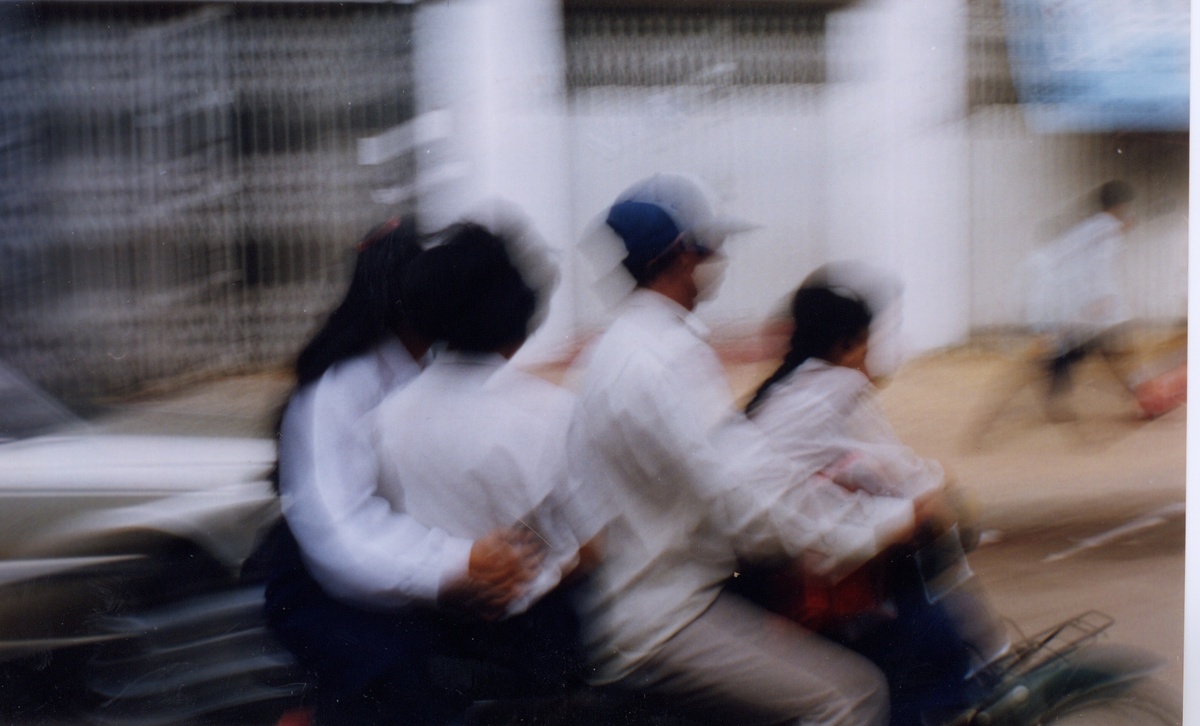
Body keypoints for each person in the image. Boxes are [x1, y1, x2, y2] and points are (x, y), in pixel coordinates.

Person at [568, 173, 931, 726]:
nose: (719, 260)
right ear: (682, 256)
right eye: (712, 248)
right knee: (852, 697)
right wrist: (879, 526)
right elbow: (745, 499)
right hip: (671, 612)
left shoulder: (608, 352)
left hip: (638, 593)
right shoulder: (666, 360)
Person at [259, 217, 544, 724]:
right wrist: (461, 564)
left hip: (411, 566)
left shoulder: (431, 367)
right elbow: (346, 539)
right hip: (327, 582)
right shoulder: (340, 389)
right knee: (404, 677)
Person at [746, 283, 1010, 724]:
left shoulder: (781, 392)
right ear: (848, 345)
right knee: (935, 648)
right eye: (870, 343)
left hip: (775, 572)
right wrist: (938, 492)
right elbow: (906, 482)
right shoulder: (836, 387)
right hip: (804, 580)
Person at [369, 219, 605, 713]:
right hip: (535, 653)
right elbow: (588, 551)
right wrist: (523, 559)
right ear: (518, 316)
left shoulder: (386, 419)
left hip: (430, 651)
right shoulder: (550, 411)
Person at [1024, 180, 1138, 419]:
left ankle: (1135, 392)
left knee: (1087, 349)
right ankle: (1139, 393)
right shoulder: (1107, 230)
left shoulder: (1095, 225)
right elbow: (1099, 267)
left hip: (1068, 300)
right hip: (1087, 304)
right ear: (1122, 205)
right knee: (1104, 348)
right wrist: (1100, 299)